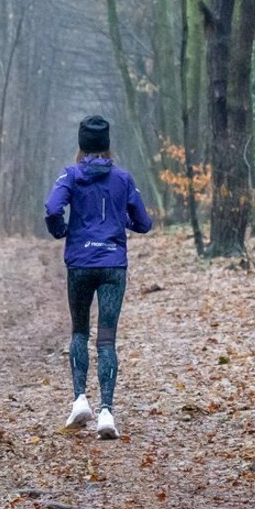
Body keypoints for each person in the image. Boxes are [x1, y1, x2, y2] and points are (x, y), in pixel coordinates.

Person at [44, 115, 153, 439]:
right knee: (106, 340)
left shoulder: (71, 175)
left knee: (79, 332)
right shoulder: (122, 178)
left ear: (81, 144)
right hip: (112, 266)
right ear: (107, 145)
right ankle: (106, 411)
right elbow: (144, 222)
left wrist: (61, 231)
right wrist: (123, 222)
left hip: (79, 263)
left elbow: (52, 209)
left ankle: (80, 399)